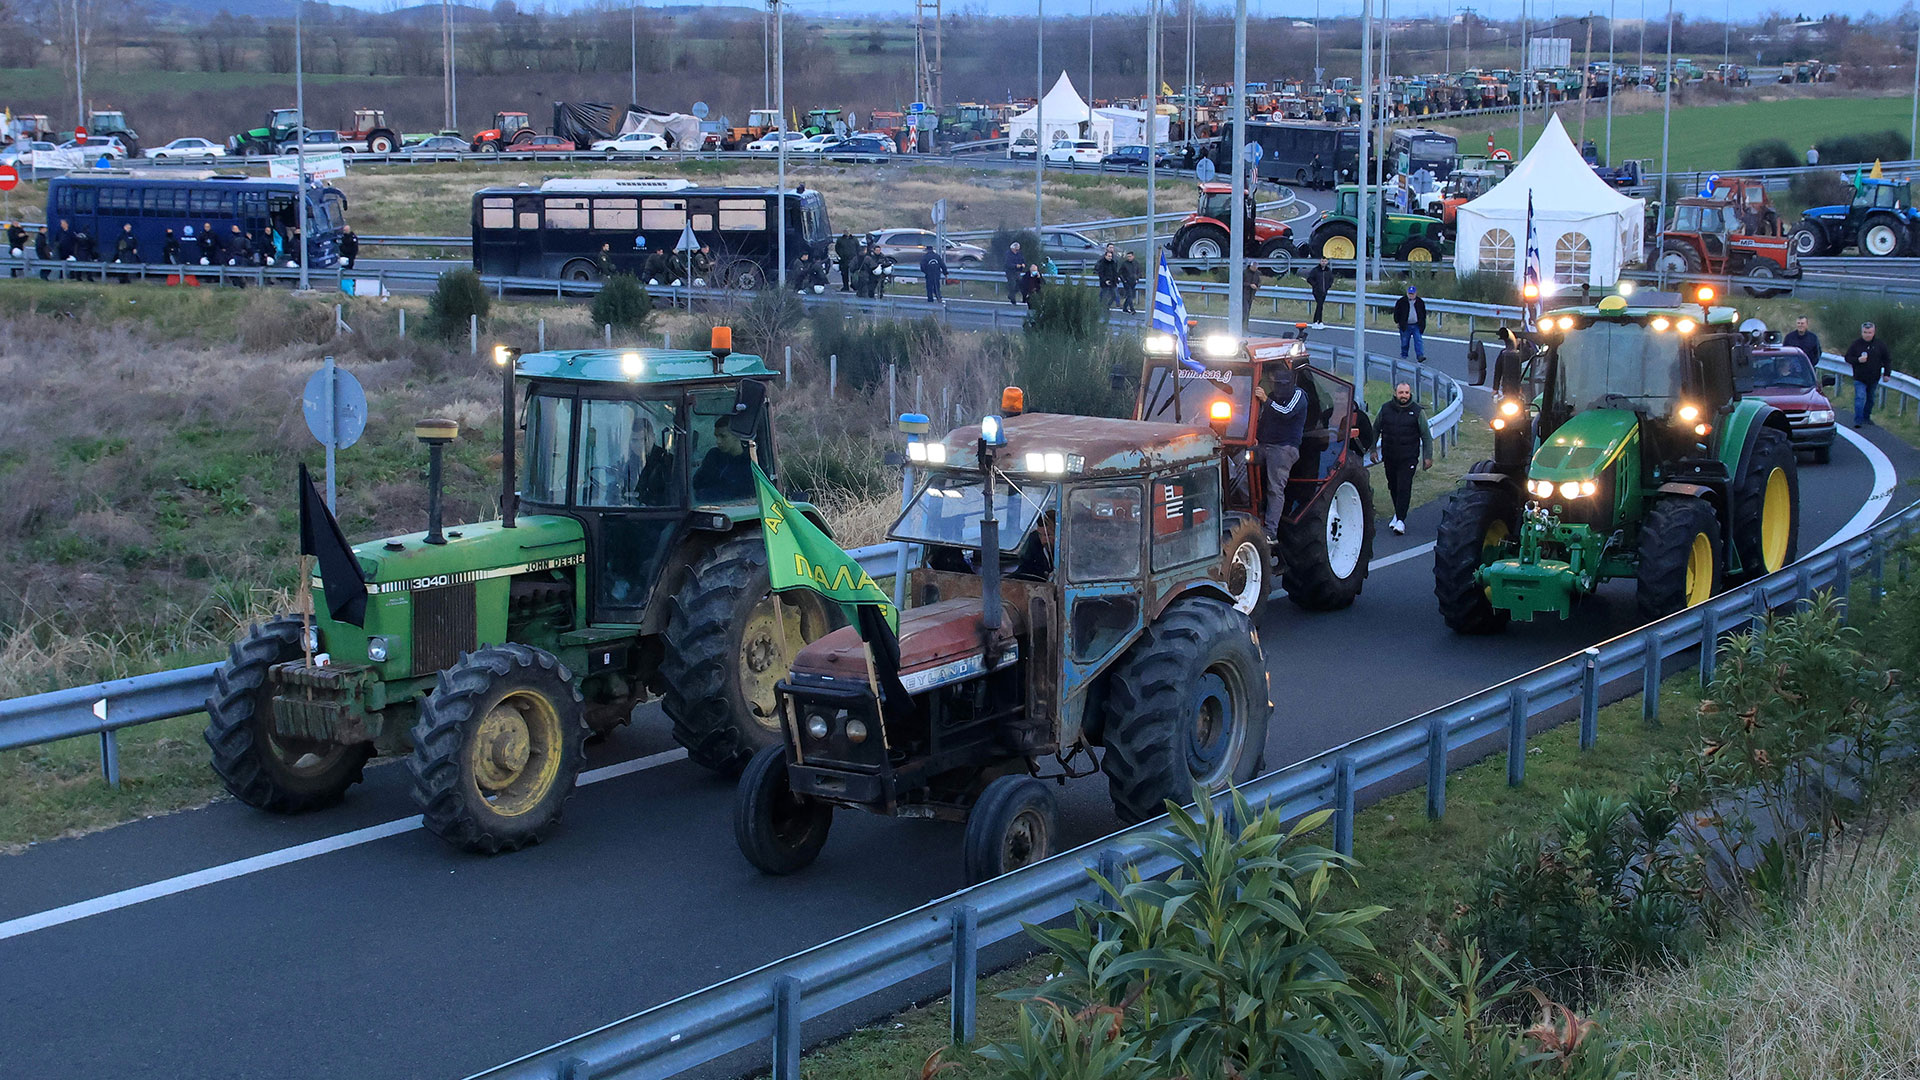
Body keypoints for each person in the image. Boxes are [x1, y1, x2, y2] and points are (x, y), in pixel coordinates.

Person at [1254, 365, 1309, 538]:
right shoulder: (1272, 397)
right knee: (1241, 474)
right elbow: (1262, 419)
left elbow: (1286, 412)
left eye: (1277, 382)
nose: (1275, 385)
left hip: (1284, 447)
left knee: (1275, 488)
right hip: (1263, 445)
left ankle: (1270, 532)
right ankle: (1250, 518)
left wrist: (1266, 400)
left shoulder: (1298, 395)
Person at [1372, 381, 1434, 535]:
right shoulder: (1385, 409)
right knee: (1393, 486)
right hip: (1389, 455)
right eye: (1401, 393)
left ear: (1410, 393)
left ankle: (1400, 520)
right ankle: (1398, 513)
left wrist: (1428, 457)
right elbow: (1375, 429)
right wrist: (1372, 449)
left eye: (1406, 393)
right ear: (1395, 393)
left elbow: (1426, 435)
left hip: (1409, 457)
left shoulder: (1418, 412)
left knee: (1404, 486)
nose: (1404, 396)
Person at [1843, 321, 1894, 428]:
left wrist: (1887, 374)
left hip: (1874, 378)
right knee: (1859, 398)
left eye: (1870, 332)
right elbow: (1847, 357)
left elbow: (1887, 360)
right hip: (1859, 378)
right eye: (1865, 332)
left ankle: (1866, 417)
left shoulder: (1880, 345)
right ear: (1862, 332)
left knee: (1870, 399)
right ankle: (1858, 420)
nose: (1867, 335)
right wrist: (1857, 360)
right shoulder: (1856, 344)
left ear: (1874, 332)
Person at [692, 417, 753, 500]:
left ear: (737, 436)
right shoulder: (713, 456)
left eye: (723, 436)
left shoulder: (750, 463)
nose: (718, 441)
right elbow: (696, 484)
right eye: (716, 436)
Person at [1392, 283, 1427, 361]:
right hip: (1405, 325)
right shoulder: (1401, 301)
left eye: (1412, 294)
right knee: (1405, 342)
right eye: (1409, 293)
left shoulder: (1420, 302)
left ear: (1415, 293)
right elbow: (1397, 312)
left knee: (1418, 340)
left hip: (1416, 325)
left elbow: (1423, 314)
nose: (1411, 295)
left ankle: (1420, 355)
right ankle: (1404, 355)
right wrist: (1397, 322)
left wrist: (1422, 324)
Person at [1305, 255, 1335, 327]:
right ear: (1320, 261)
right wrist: (1315, 285)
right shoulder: (1315, 270)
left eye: (1325, 261)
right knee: (1320, 305)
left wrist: (1328, 286)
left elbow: (1331, 279)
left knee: (1320, 306)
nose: (1323, 262)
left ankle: (1318, 321)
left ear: (1327, 262)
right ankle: (1317, 321)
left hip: (1324, 291)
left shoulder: (1328, 271)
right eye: (1322, 261)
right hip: (1317, 291)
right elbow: (1309, 279)